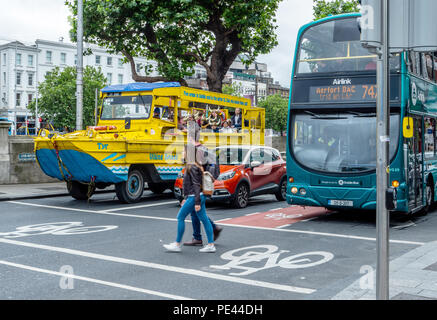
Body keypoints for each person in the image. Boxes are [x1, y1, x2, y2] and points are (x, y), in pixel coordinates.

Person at [163, 122, 217, 253]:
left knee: (180, 217)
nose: (181, 153)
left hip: (195, 196)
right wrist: (186, 198)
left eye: (183, 151)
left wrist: (196, 201)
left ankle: (177, 244)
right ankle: (210, 245)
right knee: (204, 218)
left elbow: (196, 185)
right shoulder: (193, 165)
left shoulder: (192, 166)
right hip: (196, 196)